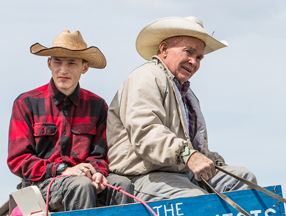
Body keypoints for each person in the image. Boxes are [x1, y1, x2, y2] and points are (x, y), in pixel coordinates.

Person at [107, 16, 256, 203]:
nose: (194, 61)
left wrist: (211, 160)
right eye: (189, 52)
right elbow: (146, 134)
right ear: (164, 49)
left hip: (181, 171)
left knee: (243, 179)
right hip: (144, 176)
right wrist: (188, 155)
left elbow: (192, 144)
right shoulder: (146, 77)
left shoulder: (185, 91)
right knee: (195, 200)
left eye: (199, 57)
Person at [8, 30, 128, 211]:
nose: (63, 70)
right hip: (41, 185)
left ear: (84, 67)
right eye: (57, 62)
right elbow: (18, 159)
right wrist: (62, 170)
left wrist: (99, 174)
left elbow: (100, 155)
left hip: (84, 179)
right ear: (49, 63)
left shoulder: (98, 105)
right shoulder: (26, 103)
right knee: (80, 186)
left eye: (71, 63)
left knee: (123, 185)